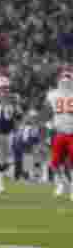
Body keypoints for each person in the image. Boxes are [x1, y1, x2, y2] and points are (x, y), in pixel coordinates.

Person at [46, 67, 73, 199]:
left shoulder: (53, 94)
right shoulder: (53, 95)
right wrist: (48, 125)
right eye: (64, 81)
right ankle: (61, 183)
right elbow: (47, 111)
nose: (65, 83)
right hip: (59, 132)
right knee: (54, 163)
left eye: (68, 81)